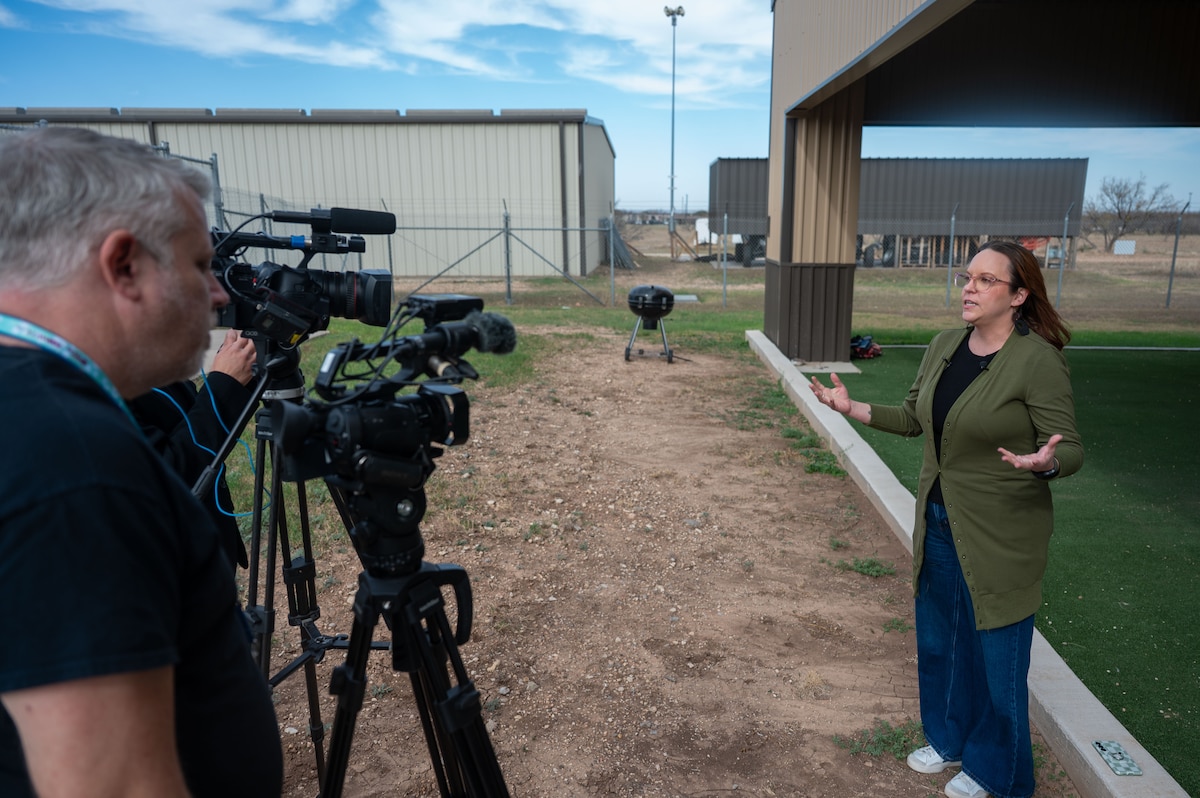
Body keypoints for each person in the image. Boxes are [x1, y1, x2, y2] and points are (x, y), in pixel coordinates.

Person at [0, 127, 282, 797]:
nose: (218, 295)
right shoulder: (72, 464)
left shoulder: (32, 414)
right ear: (123, 265)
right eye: (198, 265)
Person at [809, 240, 1083, 798]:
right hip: (938, 517)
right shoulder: (944, 346)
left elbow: (1070, 447)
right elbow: (914, 417)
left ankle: (996, 771)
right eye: (967, 276)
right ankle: (948, 737)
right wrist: (852, 408)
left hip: (1001, 530)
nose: (969, 288)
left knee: (996, 656)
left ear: (1019, 295)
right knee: (942, 640)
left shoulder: (1038, 360)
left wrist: (1045, 462)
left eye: (986, 281)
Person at [129, 328, 259, 570]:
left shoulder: (141, 355)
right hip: (170, 575)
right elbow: (167, 472)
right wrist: (225, 385)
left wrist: (242, 372)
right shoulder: (88, 381)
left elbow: (196, 430)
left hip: (206, 554)